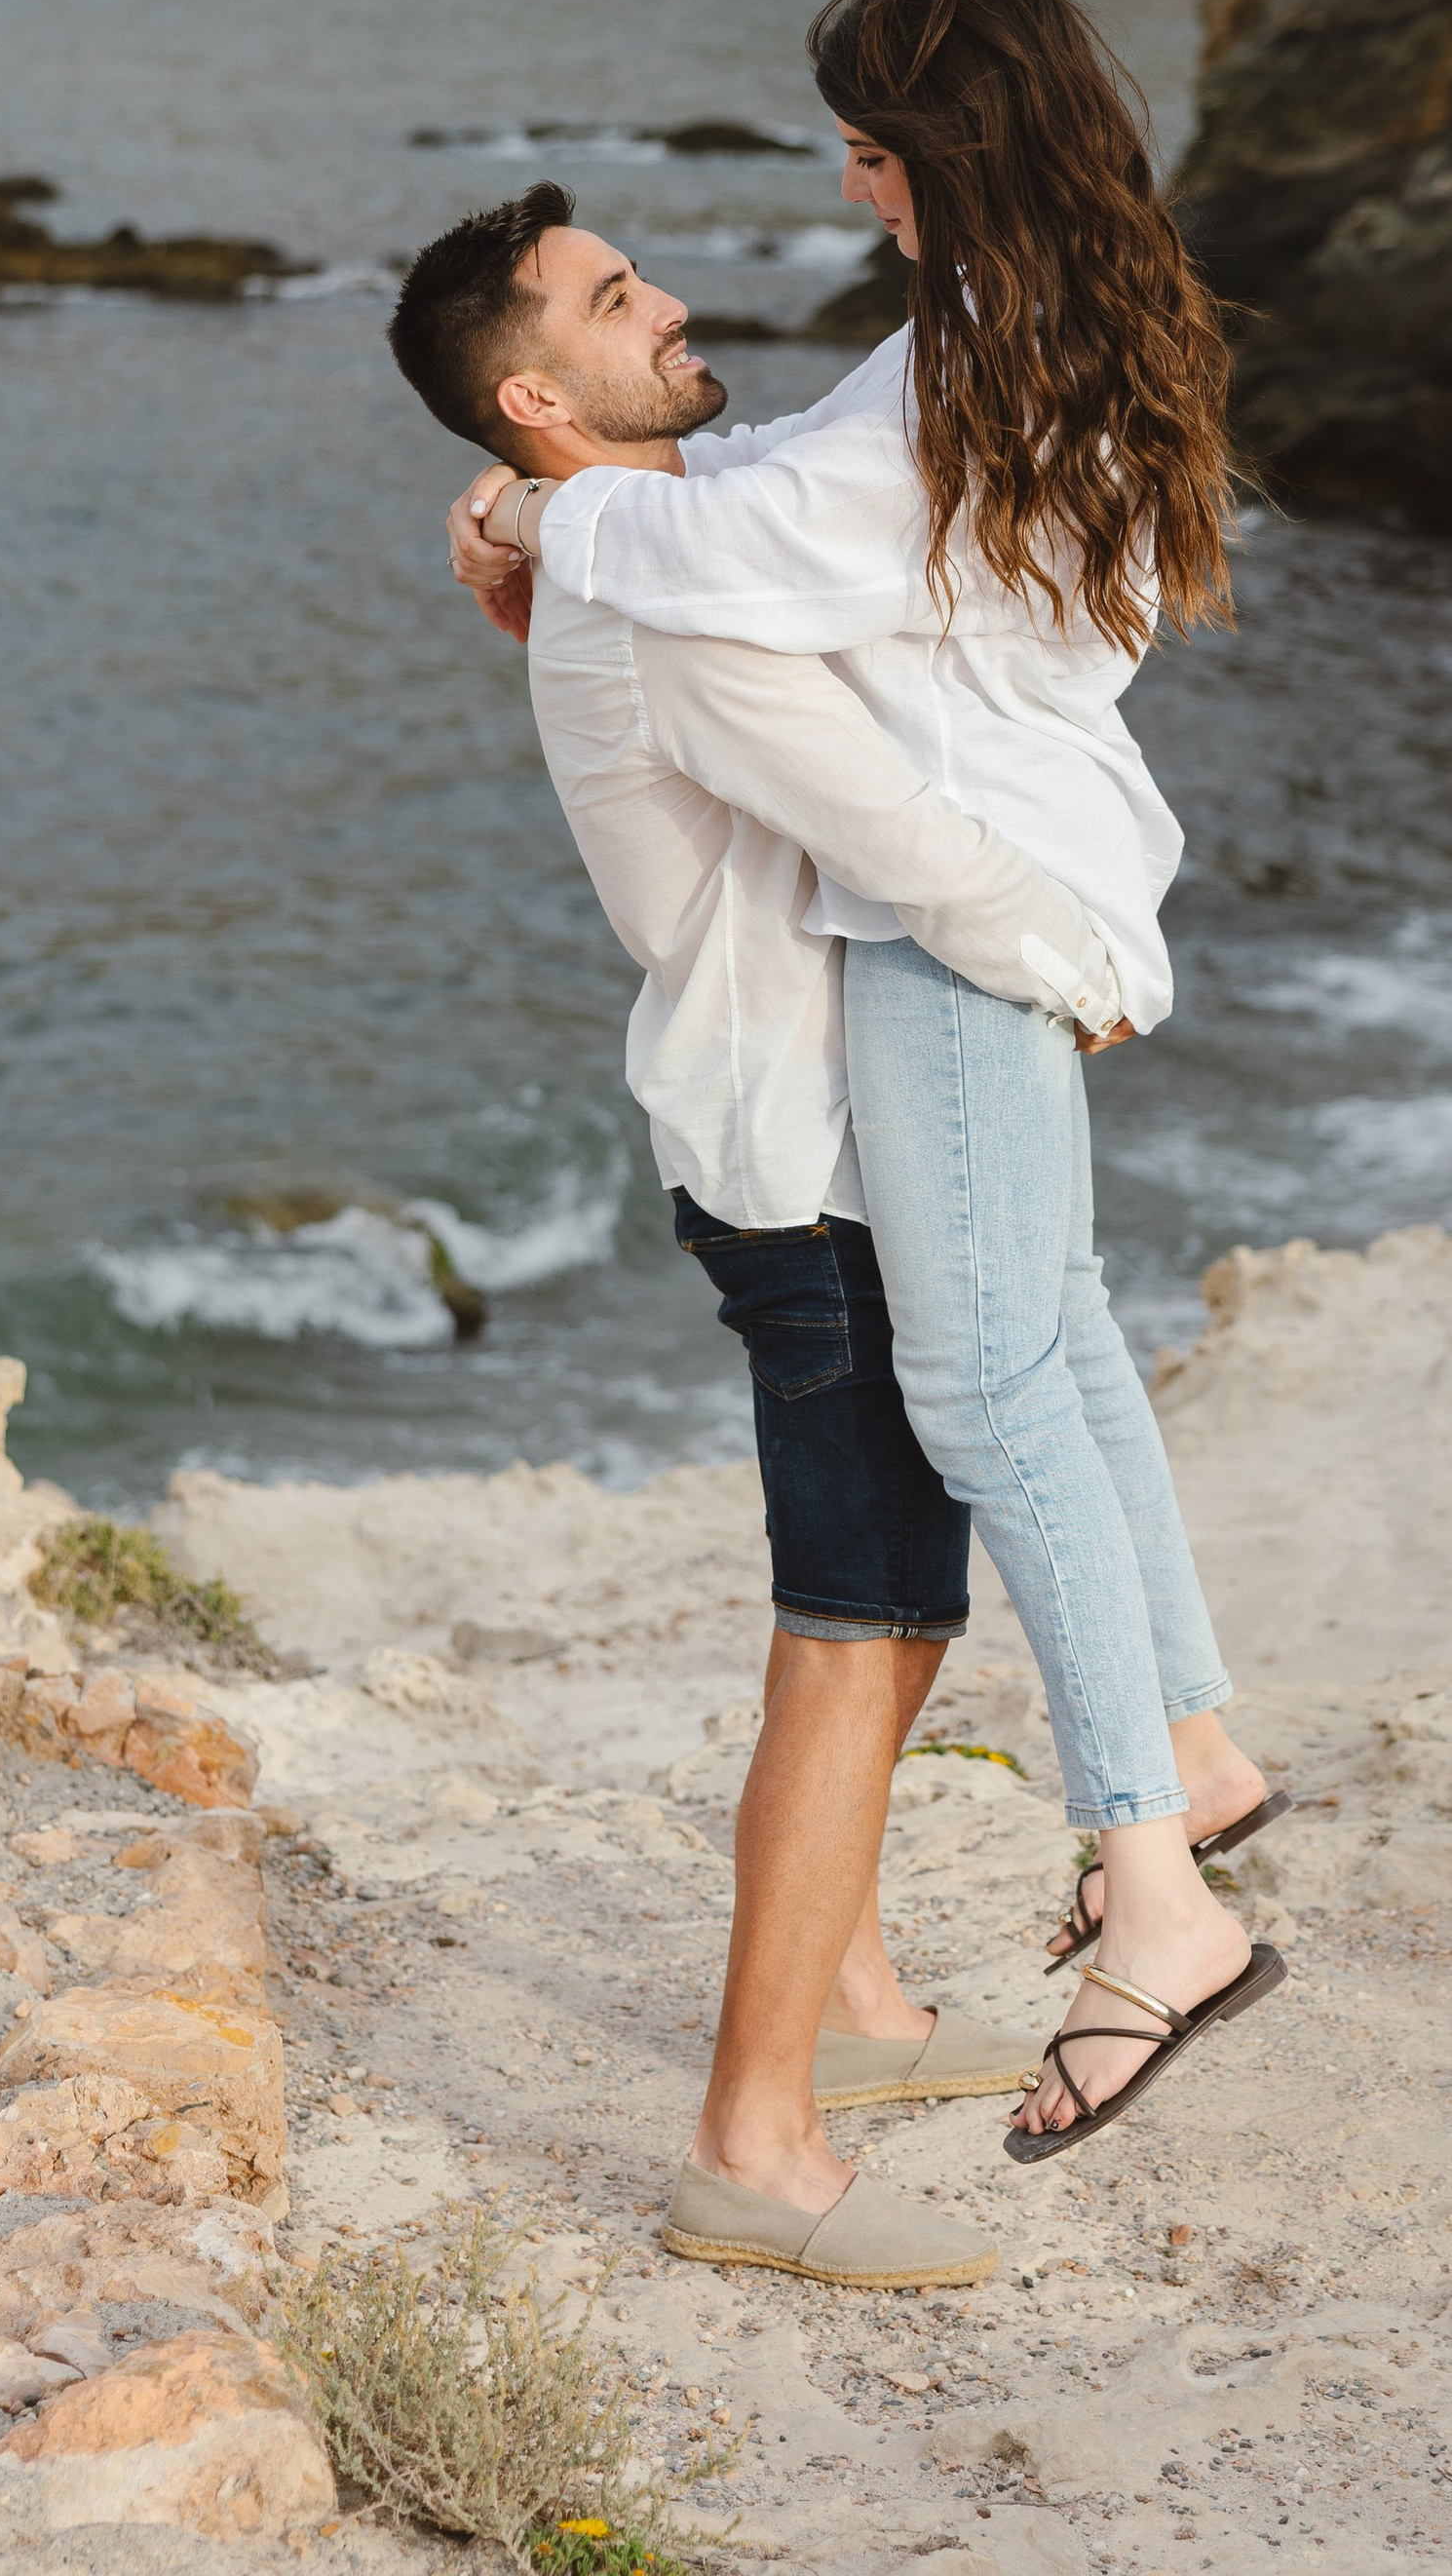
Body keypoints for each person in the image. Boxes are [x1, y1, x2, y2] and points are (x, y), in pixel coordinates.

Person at [443, 0, 1286, 2165]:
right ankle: (1186, 1763)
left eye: (865, 145)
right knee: (1049, 1340)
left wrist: (546, 508)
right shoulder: (1013, 323)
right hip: (997, 892)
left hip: (963, 916)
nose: (844, 185)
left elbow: (765, 542)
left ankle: (1153, 1885)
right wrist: (561, 518)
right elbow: (780, 492)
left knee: (988, 1395)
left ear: (944, 143)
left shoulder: (964, 360)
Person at [389, 183, 1137, 2288]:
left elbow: (790, 494)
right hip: (807, 1167)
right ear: (539, 394)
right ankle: (751, 2144)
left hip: (810, 1142)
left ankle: (857, 2000)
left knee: (897, 1615)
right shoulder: (663, 601)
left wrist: (516, 516)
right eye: (615, 299)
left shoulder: (650, 533)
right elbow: (891, 824)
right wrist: (1075, 954)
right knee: (855, 1628)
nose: (672, 304)